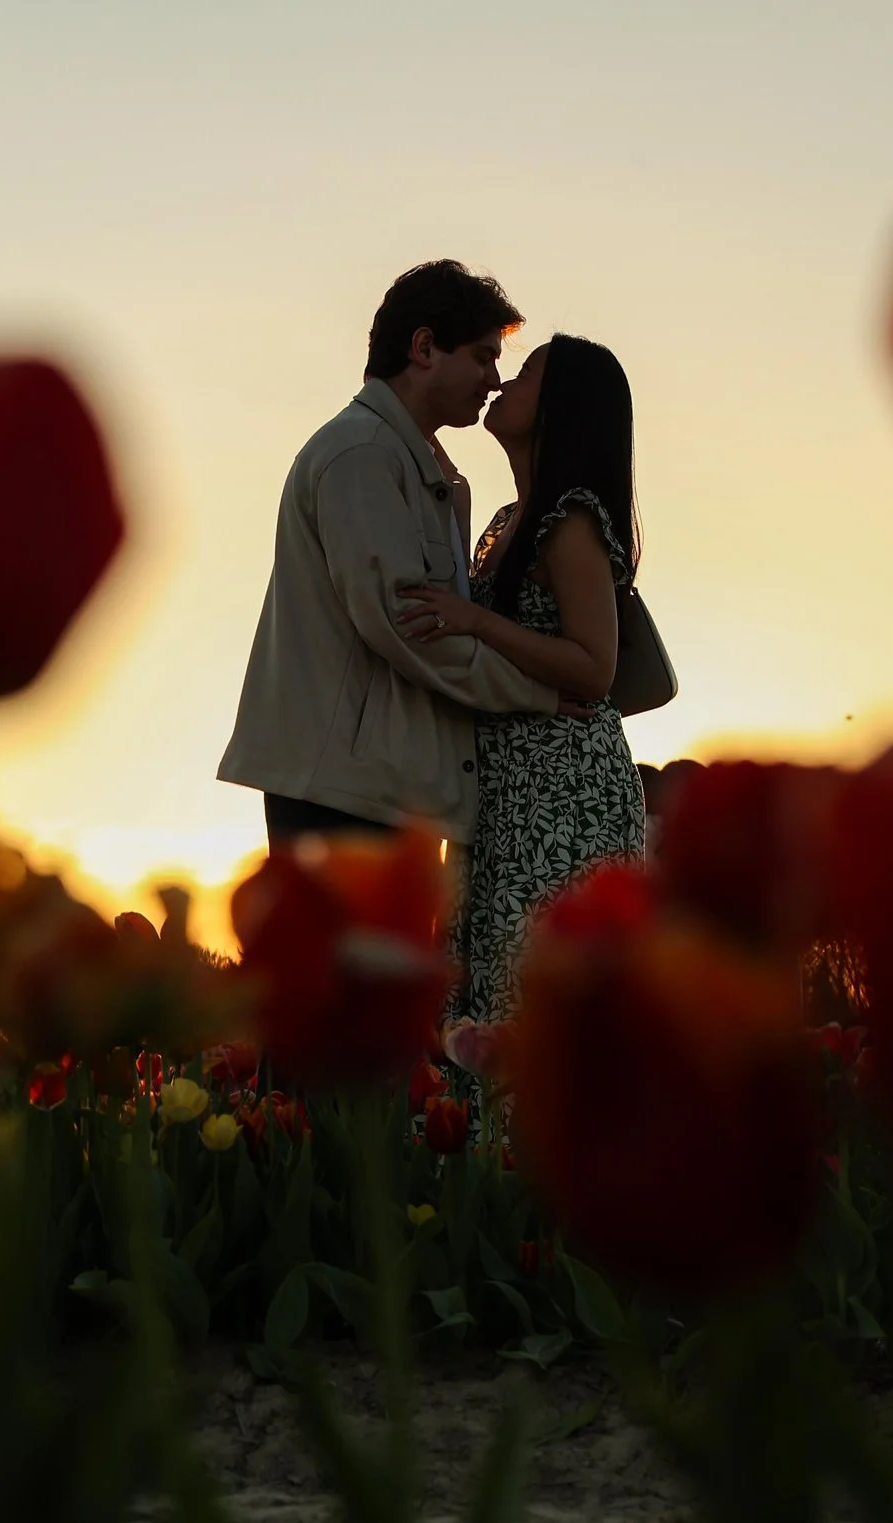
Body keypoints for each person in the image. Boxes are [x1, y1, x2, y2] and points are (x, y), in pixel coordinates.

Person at [218, 262, 561, 855]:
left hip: (383, 789)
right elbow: (411, 628)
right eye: (482, 357)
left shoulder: (407, 460)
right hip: (344, 796)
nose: (494, 379)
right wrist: (541, 695)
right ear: (425, 347)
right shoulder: (362, 454)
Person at [395, 335, 649, 1097]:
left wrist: (475, 624)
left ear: (562, 405)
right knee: (489, 993)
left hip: (564, 794)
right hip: (509, 791)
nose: (505, 379)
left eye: (529, 370)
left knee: (536, 998)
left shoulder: (567, 518)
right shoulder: (510, 516)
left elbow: (593, 665)